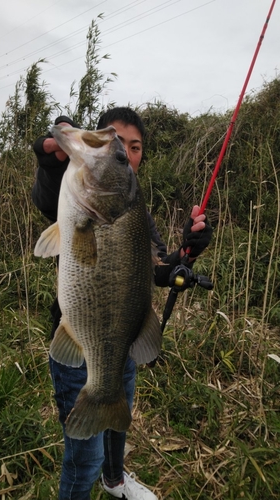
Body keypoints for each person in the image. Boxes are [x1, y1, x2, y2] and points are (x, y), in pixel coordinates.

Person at [32, 107, 212, 500]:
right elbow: (46, 198)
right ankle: (90, 480)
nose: (125, 152)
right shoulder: (73, 191)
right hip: (79, 339)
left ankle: (114, 480)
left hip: (124, 345)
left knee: (117, 421)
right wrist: (49, 165)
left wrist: (187, 254)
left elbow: (160, 268)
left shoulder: (135, 213)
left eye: (133, 147)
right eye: (116, 143)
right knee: (84, 459)